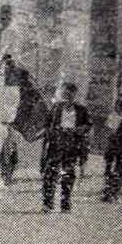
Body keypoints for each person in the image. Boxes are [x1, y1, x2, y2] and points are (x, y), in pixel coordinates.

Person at [41, 82, 91, 213]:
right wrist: (52, 133)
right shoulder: (56, 108)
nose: (68, 96)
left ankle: (66, 203)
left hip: (72, 145)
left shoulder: (81, 110)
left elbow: (88, 125)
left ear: (74, 95)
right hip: (57, 144)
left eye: (71, 93)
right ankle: (48, 203)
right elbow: (47, 124)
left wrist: (78, 130)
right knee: (50, 173)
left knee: (68, 175)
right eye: (65, 93)